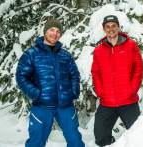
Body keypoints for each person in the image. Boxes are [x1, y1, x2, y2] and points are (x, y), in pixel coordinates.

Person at [16, 18, 85, 147]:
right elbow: (21, 77)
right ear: (45, 31)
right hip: (42, 107)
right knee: (36, 142)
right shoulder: (31, 54)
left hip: (66, 107)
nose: (55, 33)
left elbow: (74, 75)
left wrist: (74, 92)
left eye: (58, 31)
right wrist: (37, 94)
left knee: (75, 141)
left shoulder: (65, 55)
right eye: (52, 30)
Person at [91, 15, 143, 146]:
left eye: (113, 25)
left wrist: (132, 90)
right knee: (100, 135)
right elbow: (95, 73)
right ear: (104, 29)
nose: (111, 29)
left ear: (118, 27)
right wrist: (101, 92)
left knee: (138, 136)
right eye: (107, 26)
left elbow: (138, 69)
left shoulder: (131, 45)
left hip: (128, 101)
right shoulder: (98, 50)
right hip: (107, 102)